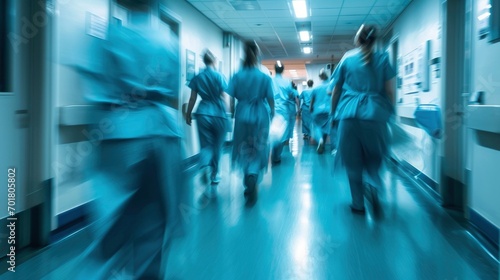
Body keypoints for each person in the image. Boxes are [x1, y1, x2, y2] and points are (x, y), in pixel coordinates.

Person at [69, 2, 184, 278]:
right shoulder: (169, 40)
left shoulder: (110, 37)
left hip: (121, 136)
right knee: (155, 219)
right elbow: (173, 92)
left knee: (113, 225)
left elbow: (97, 94)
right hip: (163, 134)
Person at [329, 24, 396, 214]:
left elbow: (336, 91)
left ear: (358, 39)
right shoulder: (383, 59)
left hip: (348, 115)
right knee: (374, 157)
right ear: (374, 40)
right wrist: (389, 113)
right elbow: (390, 92)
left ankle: (358, 203)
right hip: (375, 115)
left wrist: (334, 114)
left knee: (353, 162)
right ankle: (373, 183)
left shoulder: (347, 59)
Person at [227, 41, 275, 202]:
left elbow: (231, 98)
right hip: (260, 114)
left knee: (243, 146)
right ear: (257, 53)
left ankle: (247, 173)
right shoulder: (264, 76)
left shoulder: (237, 75)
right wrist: (273, 113)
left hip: (242, 114)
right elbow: (270, 99)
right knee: (258, 145)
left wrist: (234, 112)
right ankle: (253, 174)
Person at [186, 49, 228, 189]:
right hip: (219, 113)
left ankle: (204, 165)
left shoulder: (198, 77)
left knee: (206, 145)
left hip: (203, 113)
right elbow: (223, 96)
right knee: (218, 146)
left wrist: (188, 113)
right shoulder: (219, 76)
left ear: (203, 61)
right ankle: (215, 175)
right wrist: (227, 112)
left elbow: (192, 98)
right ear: (214, 61)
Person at [270, 61, 299, 163]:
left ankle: (273, 151)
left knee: (273, 132)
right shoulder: (287, 82)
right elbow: (292, 95)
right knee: (283, 134)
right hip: (283, 110)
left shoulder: (270, 81)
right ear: (283, 70)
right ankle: (277, 155)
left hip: (272, 110)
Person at [310, 69, 332, 154]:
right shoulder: (331, 86)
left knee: (317, 126)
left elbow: (312, 100)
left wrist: (310, 108)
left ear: (320, 77)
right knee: (326, 127)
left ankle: (320, 140)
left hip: (317, 110)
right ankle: (323, 142)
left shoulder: (316, 88)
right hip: (329, 110)